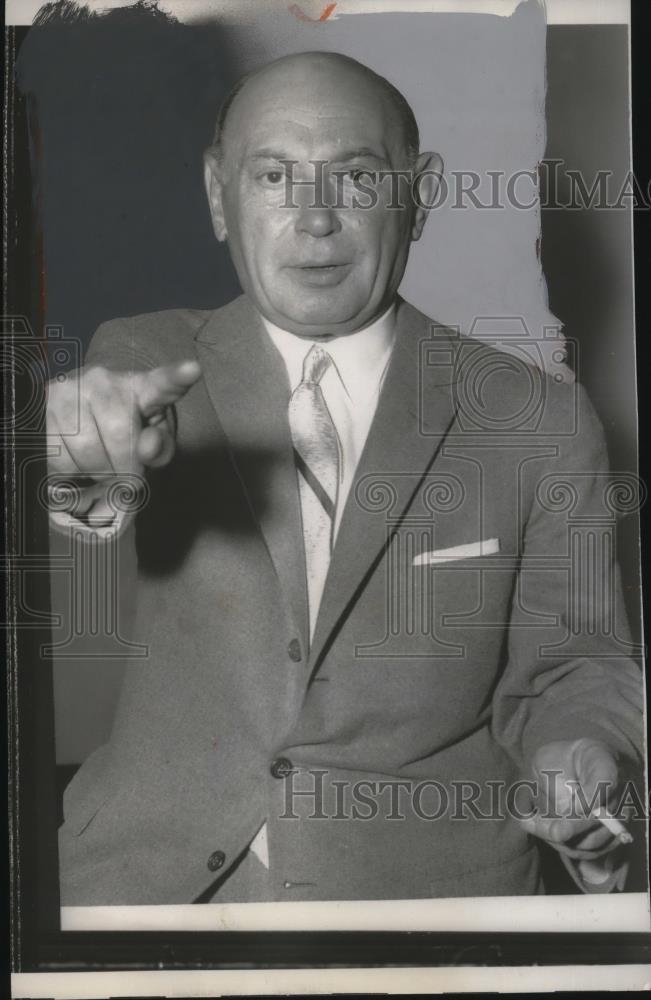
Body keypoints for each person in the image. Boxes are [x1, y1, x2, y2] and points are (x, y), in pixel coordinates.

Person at [48, 51, 644, 904]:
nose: (315, 218)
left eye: (355, 177)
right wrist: (72, 463)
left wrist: (579, 751)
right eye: (275, 175)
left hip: (424, 900)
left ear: (420, 192)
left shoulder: (539, 420)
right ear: (220, 196)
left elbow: (576, 665)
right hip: (140, 886)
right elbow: (99, 468)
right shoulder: (146, 357)